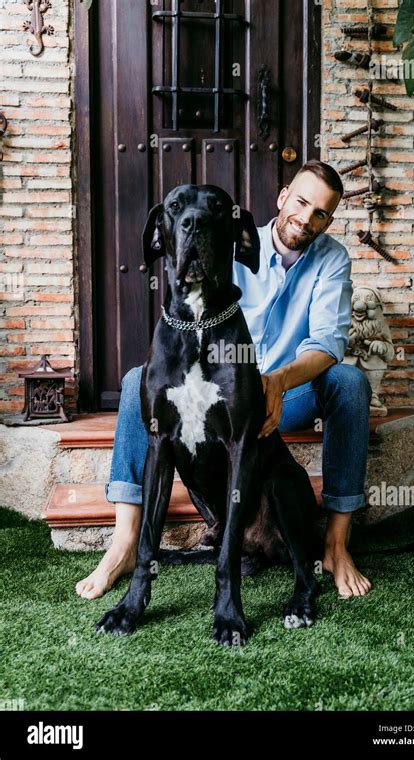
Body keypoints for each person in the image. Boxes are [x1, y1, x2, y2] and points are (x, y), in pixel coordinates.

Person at [76, 160, 372, 601]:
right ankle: (125, 541)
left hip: (288, 392)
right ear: (283, 196)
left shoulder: (331, 260)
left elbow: (328, 343)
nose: (306, 218)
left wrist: (278, 380)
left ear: (329, 220)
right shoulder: (226, 235)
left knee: (349, 381)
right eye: (302, 203)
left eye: (321, 213)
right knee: (139, 378)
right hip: (223, 391)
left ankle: (335, 544)